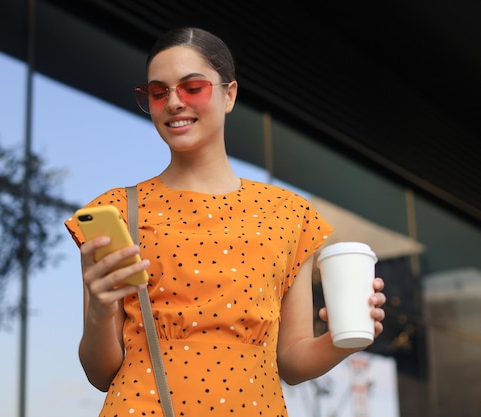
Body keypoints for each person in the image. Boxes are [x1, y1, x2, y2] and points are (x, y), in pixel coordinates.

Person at [65, 27, 386, 417]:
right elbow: (101, 374)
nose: (173, 103)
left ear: (229, 94)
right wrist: (99, 311)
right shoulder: (116, 211)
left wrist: (347, 337)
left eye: (192, 87)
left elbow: (292, 360)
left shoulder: (289, 213)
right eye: (157, 92)